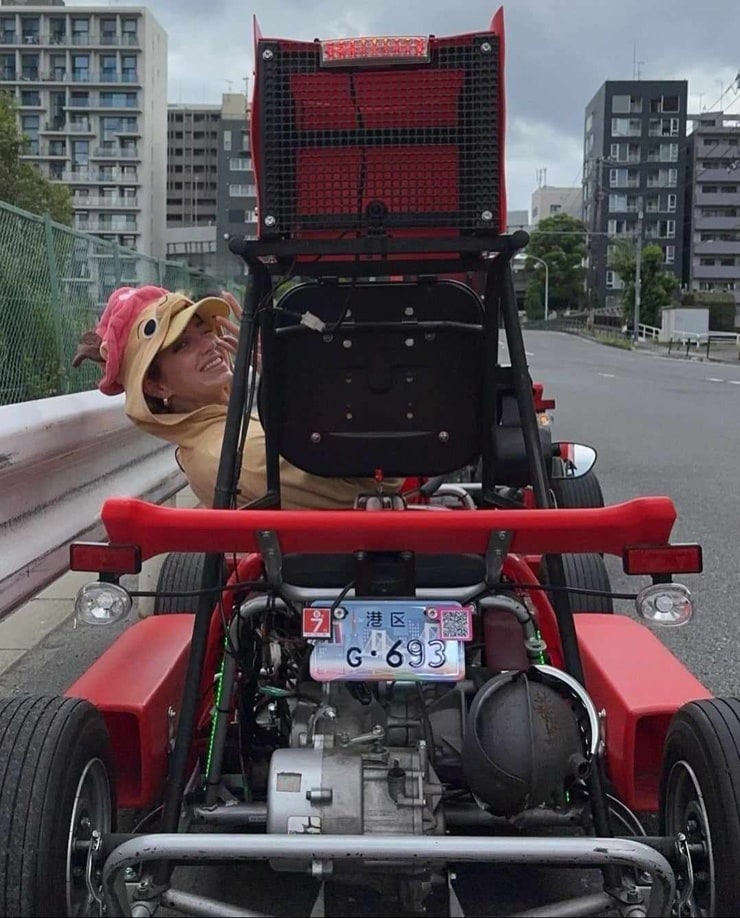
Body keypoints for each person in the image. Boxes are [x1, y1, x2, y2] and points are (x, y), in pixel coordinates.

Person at [73, 284, 402, 509]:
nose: (210, 344)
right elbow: (382, 483)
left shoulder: (228, 435)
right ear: (156, 387)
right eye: (182, 345)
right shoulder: (235, 453)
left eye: (206, 332)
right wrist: (297, 381)